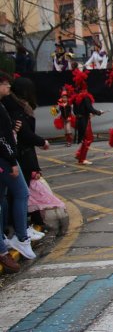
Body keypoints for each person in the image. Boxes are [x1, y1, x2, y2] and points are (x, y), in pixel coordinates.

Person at [0, 72, 36, 265]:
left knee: (2, 201)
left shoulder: (4, 105)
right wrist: (12, 161)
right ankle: (21, 237)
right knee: (21, 193)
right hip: (5, 160)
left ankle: (7, 239)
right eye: (5, 84)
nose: (8, 87)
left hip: (6, 158)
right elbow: (1, 138)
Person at [72, 69, 104, 165]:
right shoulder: (86, 97)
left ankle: (79, 154)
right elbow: (90, 108)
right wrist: (98, 112)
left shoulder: (75, 97)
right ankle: (82, 159)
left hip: (79, 119)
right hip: (85, 121)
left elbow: (75, 110)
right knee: (88, 139)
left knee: (85, 138)